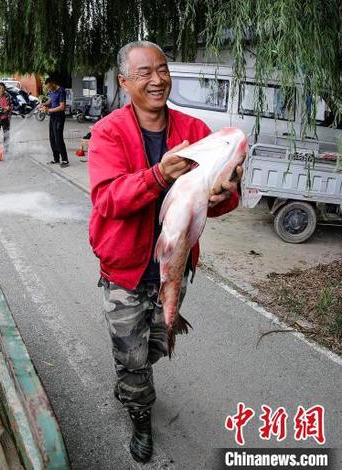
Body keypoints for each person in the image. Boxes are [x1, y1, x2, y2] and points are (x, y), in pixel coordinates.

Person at [88, 41, 242, 463]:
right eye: (144, 73)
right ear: (124, 83)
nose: (157, 80)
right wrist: (158, 175)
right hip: (123, 270)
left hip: (173, 268)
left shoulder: (194, 131)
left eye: (162, 69)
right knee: (133, 358)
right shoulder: (108, 132)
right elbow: (108, 200)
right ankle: (140, 415)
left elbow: (222, 201)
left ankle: (132, 374)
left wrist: (226, 192)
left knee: (156, 343)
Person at [40, 75, 69, 167]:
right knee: (52, 138)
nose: (48, 89)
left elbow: (62, 107)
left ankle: (64, 160)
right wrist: (44, 104)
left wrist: (48, 110)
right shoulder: (52, 91)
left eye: (48, 86)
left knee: (58, 138)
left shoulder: (61, 91)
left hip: (59, 117)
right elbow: (51, 100)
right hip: (52, 117)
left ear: (53, 83)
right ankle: (56, 159)